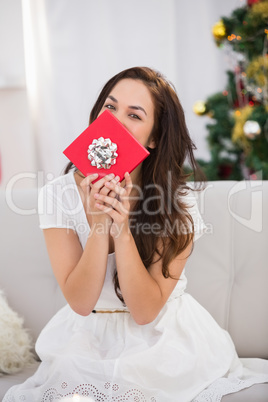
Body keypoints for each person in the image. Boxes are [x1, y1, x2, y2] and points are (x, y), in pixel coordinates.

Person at [3, 67, 268, 402]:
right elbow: (81, 303)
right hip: (86, 336)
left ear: (153, 138)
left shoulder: (178, 203)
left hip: (163, 337)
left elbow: (145, 312)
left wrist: (122, 230)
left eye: (134, 115)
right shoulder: (58, 195)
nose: (115, 120)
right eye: (110, 107)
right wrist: (99, 225)